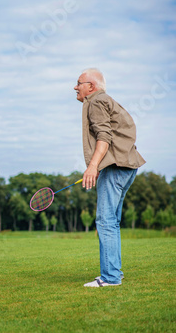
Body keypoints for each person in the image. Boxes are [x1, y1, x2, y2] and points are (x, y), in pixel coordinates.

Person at [74, 68, 145, 287]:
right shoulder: (107, 100)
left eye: (79, 83)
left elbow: (104, 136)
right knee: (111, 222)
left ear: (91, 87)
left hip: (115, 168)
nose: (75, 87)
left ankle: (111, 277)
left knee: (105, 222)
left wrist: (93, 166)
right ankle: (114, 273)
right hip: (127, 167)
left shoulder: (96, 102)